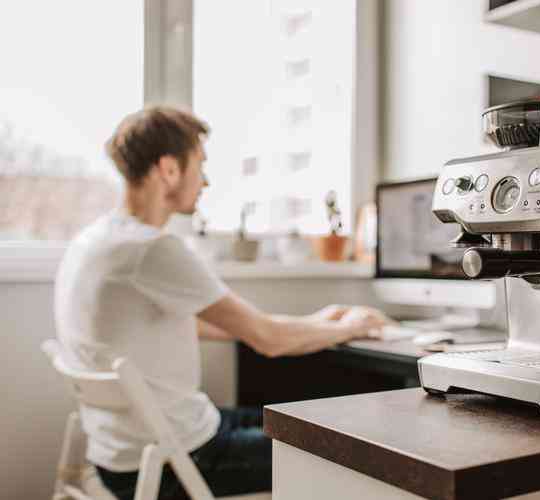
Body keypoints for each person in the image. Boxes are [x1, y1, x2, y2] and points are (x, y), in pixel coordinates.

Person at [54, 106, 390, 499]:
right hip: (172, 462)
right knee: (347, 451)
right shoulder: (152, 249)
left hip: (121, 454)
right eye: (200, 164)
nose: (207, 180)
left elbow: (207, 325)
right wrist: (354, 326)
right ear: (169, 169)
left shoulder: (94, 242)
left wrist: (317, 321)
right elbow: (269, 340)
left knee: (295, 420)